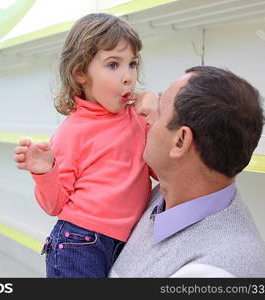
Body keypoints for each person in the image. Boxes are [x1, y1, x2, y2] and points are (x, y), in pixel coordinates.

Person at [13, 13, 157, 278]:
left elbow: (162, 172)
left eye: (133, 64)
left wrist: (158, 118)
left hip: (127, 242)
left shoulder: (139, 118)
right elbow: (54, 206)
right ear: (80, 72)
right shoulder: (72, 132)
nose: (128, 77)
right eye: (113, 65)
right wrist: (45, 172)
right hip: (78, 243)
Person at [109, 66, 265, 277]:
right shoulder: (160, 196)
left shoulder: (219, 269)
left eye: (160, 108)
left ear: (181, 141)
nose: (146, 115)